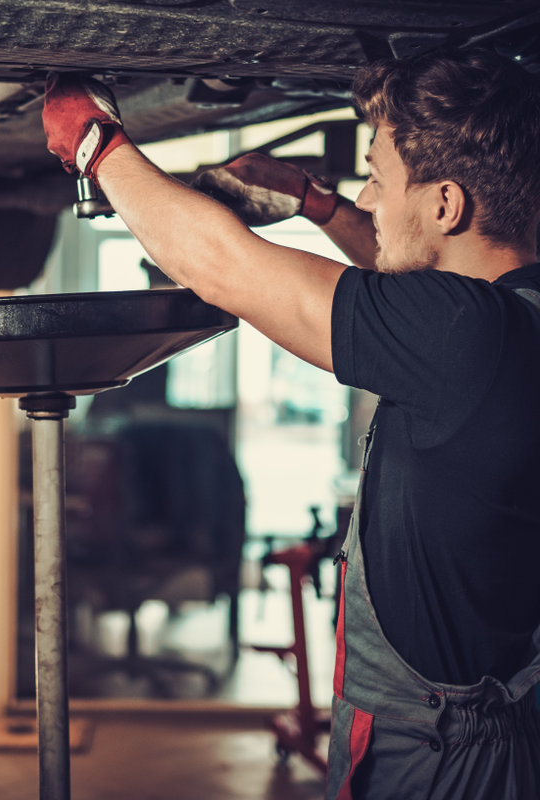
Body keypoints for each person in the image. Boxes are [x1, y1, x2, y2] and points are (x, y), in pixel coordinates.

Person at [42, 49, 540, 799]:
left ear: (445, 205)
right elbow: (406, 280)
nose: (367, 196)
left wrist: (96, 144)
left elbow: (222, 265)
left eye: (377, 176)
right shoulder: (509, 313)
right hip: (471, 720)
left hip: (439, 750)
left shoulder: (467, 337)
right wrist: (318, 204)